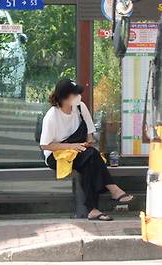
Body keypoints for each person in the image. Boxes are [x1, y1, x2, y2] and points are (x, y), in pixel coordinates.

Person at [40, 79, 133, 221]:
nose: (79, 96)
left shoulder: (80, 107)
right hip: (56, 154)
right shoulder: (52, 115)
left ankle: (93, 209)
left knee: (90, 160)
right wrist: (71, 146)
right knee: (91, 156)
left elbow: (89, 133)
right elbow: (45, 145)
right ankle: (112, 189)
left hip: (79, 150)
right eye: (75, 93)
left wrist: (87, 143)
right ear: (65, 97)